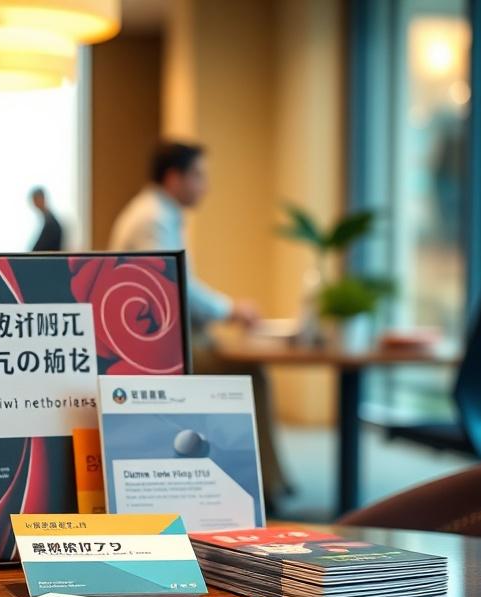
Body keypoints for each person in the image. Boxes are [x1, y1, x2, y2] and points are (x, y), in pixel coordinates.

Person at [109, 141, 291, 509]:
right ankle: (265, 486)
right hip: (157, 350)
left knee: (242, 365)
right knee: (246, 372)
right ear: (173, 178)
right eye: (198, 176)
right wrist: (230, 309)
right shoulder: (152, 219)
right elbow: (176, 286)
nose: (205, 186)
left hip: (162, 340)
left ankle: (265, 481)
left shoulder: (158, 213)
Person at [29, 186, 64, 251]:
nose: (34, 204)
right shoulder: (47, 219)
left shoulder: (50, 222)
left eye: (35, 200)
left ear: (42, 199)